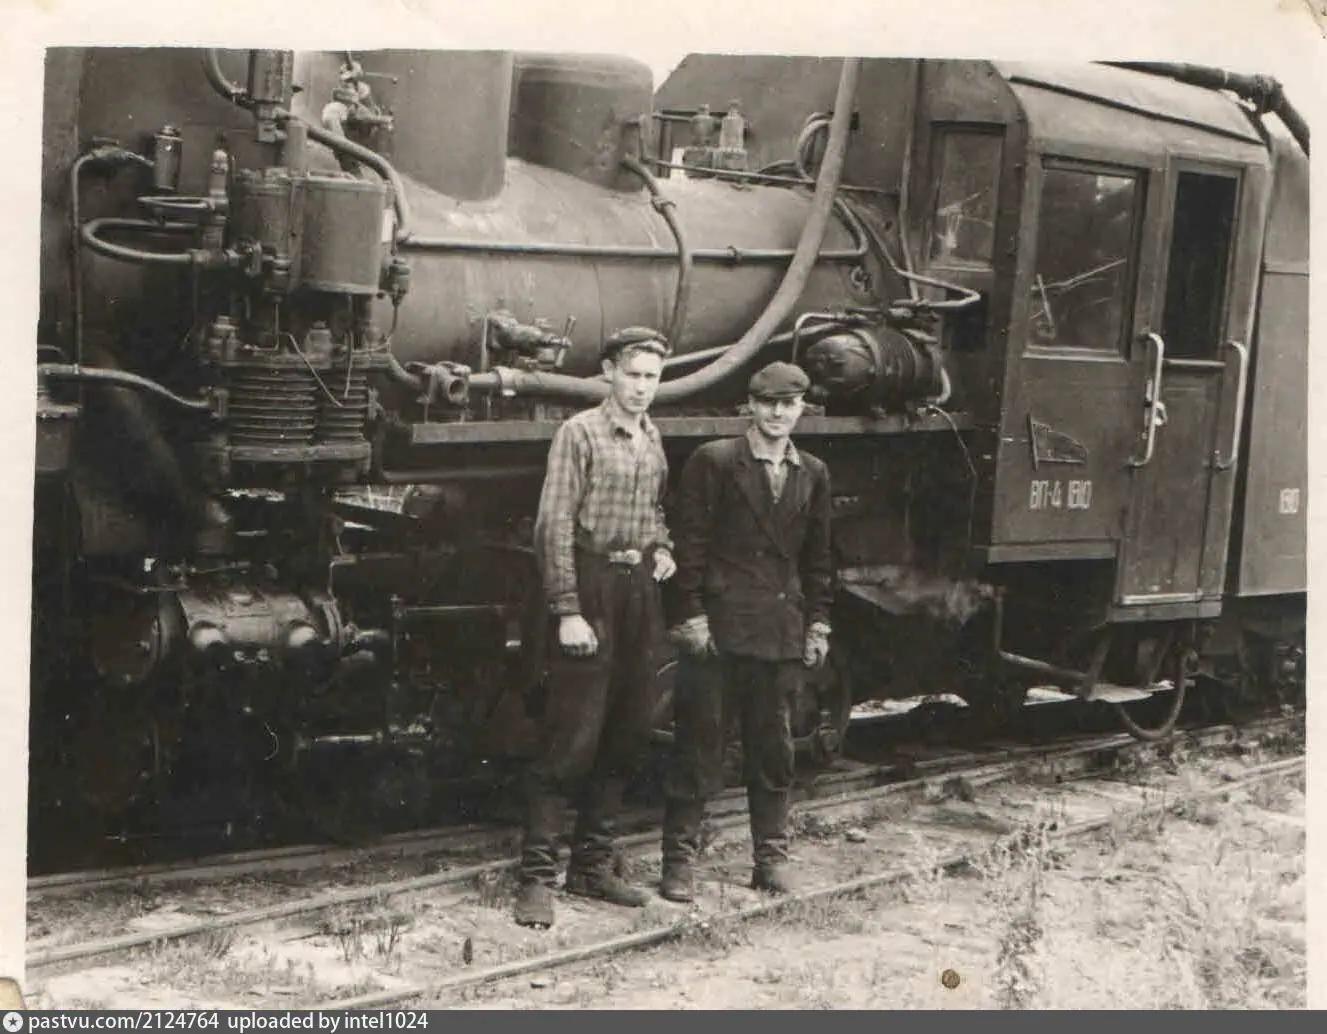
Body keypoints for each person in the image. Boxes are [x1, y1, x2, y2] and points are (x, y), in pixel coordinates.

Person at [515, 326, 677, 928]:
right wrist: (567, 610)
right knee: (570, 738)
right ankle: (536, 879)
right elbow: (554, 524)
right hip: (589, 585)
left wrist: (663, 547)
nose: (642, 387)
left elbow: (653, 510)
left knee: (628, 731)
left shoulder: (652, 437)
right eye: (633, 375)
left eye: (652, 377)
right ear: (609, 372)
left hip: (638, 591)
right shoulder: (579, 433)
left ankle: (591, 867)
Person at [661, 361, 832, 901]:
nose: (777, 414)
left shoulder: (813, 472)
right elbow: (689, 547)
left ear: (801, 408)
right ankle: (679, 862)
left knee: (773, 751)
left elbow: (819, 560)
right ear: (751, 407)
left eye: (788, 404)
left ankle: (770, 860)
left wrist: (818, 623)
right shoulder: (715, 461)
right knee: (698, 748)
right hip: (718, 630)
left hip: (779, 632)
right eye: (767, 404)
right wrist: (690, 615)